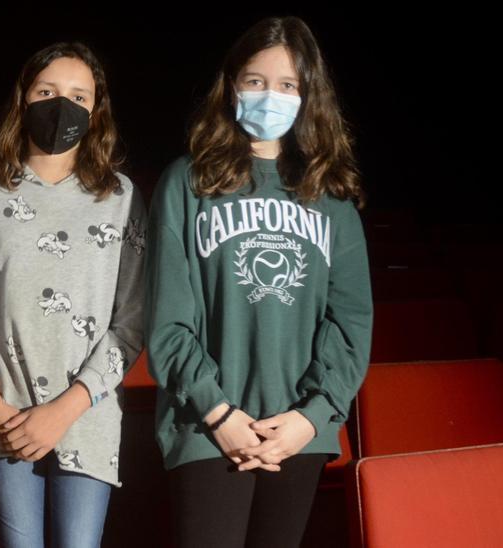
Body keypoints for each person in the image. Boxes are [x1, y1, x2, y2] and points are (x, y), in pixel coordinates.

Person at [145, 16, 371, 548]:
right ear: (231, 86)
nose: (271, 96)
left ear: (308, 96)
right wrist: (218, 412)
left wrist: (311, 417)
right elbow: (168, 319)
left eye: (288, 85)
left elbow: (351, 322)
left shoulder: (330, 197)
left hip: (297, 433)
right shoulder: (187, 182)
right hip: (207, 427)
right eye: (255, 81)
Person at [0, 42, 146, 548]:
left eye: (78, 96)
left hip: (86, 416)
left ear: (96, 110)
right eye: (47, 91)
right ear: (23, 99)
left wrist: (66, 408)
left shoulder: (120, 198)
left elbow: (130, 323)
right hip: (5, 416)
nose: (62, 105)